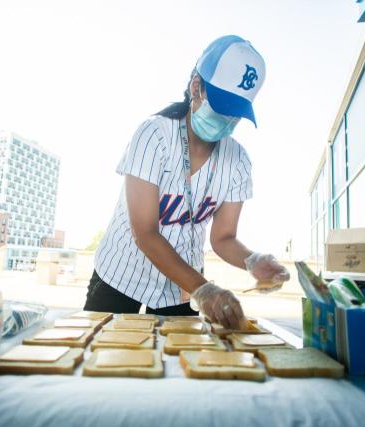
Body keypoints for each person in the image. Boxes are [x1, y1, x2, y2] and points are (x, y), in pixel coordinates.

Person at [84, 35, 290, 329]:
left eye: (237, 111)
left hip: (180, 287)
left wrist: (251, 260)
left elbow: (223, 238)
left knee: (177, 369)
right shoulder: (154, 135)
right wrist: (204, 289)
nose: (228, 120)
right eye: (222, 105)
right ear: (197, 86)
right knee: (103, 361)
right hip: (121, 277)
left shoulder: (238, 161)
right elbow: (144, 232)